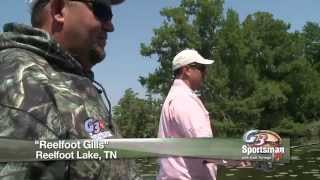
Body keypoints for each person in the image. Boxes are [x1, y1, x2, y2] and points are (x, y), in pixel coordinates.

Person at [0, 0, 139, 179]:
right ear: (58, 10)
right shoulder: (23, 81)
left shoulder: (65, 77)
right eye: (102, 12)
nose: (110, 26)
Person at [157, 49, 217, 180]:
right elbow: (204, 146)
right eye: (202, 68)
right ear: (187, 70)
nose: (205, 72)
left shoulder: (175, 97)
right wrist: (242, 155)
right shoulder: (184, 99)